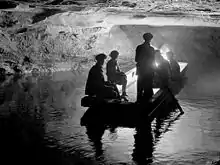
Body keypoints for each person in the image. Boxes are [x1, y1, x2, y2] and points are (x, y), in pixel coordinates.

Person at [135, 33, 156, 103]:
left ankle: (138, 102)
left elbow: (136, 59)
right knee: (148, 87)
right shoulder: (151, 49)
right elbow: (153, 61)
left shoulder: (139, 47)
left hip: (141, 70)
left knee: (140, 86)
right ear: (150, 39)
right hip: (149, 70)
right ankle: (148, 104)